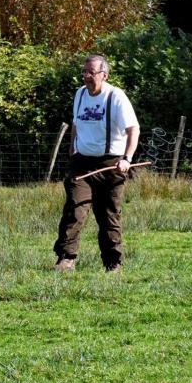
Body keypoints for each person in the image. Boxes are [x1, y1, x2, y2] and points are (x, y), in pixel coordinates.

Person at [54, 55, 140, 272]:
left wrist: (127, 159)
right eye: (85, 72)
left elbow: (133, 129)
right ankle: (66, 258)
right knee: (75, 209)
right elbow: (76, 124)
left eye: (91, 73)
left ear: (105, 75)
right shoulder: (80, 94)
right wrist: (73, 149)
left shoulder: (116, 97)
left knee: (109, 214)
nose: (87, 76)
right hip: (82, 163)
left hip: (111, 164)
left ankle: (113, 263)